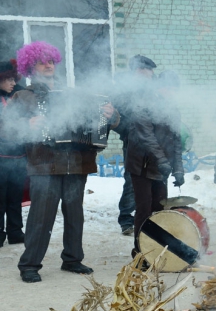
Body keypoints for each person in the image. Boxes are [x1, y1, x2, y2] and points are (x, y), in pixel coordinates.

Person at [11, 42, 119, 283]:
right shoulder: (23, 96)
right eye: (41, 61)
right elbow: (7, 128)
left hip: (77, 162)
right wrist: (27, 125)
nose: (48, 64)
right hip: (44, 164)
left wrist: (111, 115)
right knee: (41, 215)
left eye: (51, 60)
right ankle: (29, 264)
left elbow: (102, 119)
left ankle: (72, 258)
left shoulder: (73, 94)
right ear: (31, 66)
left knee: (75, 213)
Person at [126, 69, 184, 260]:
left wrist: (178, 169)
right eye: (171, 89)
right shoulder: (144, 104)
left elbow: (177, 140)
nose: (174, 94)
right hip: (141, 166)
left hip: (161, 166)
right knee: (144, 209)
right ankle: (140, 252)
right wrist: (163, 161)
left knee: (160, 208)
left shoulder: (173, 109)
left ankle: (156, 249)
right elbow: (147, 138)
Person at [113, 54, 158, 236]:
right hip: (133, 144)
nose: (151, 74)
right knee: (132, 180)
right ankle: (126, 218)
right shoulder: (124, 92)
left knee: (150, 179)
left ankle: (145, 214)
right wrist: (130, 132)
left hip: (152, 143)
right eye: (148, 70)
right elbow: (116, 120)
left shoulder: (150, 91)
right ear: (139, 71)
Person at [0, 60, 27, 248]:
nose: (12, 83)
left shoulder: (18, 97)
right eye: (8, 79)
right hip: (0, 158)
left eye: (13, 79)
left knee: (15, 198)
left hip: (19, 157)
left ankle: (15, 232)